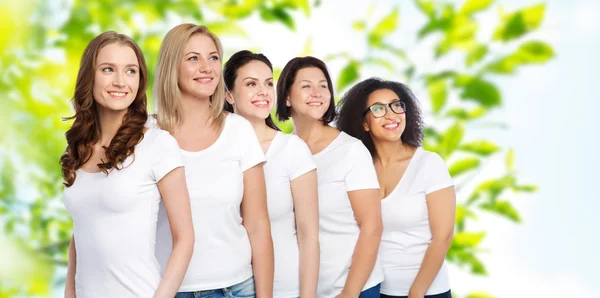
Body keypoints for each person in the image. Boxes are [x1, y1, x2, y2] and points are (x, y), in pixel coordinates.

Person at [60, 31, 194, 298]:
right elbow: (83, 230)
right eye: (108, 69)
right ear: (90, 76)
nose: (120, 81)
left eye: (131, 71)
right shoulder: (79, 147)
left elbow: (185, 239)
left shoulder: (158, 144)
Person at [153, 24, 274, 298]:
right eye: (193, 58)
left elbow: (257, 224)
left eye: (213, 57)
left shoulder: (239, 131)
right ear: (173, 65)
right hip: (166, 290)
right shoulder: (147, 135)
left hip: (236, 289)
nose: (206, 67)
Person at [337, 78, 456, 298]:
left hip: (427, 292)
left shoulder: (428, 163)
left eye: (396, 105)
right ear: (364, 123)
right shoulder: (358, 169)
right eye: (378, 109)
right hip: (374, 289)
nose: (391, 115)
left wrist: (417, 292)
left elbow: (444, 236)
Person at [276, 56, 384, 298]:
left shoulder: (350, 151)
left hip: (352, 289)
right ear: (286, 97)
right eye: (306, 86)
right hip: (302, 290)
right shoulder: (280, 151)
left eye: (323, 86)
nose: (317, 93)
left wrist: (349, 293)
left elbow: (372, 226)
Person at [223, 50, 320, 298]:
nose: (263, 92)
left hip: (284, 288)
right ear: (228, 94)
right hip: (226, 286)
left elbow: (309, 235)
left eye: (268, 83)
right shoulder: (217, 150)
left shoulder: (292, 150)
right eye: (251, 84)